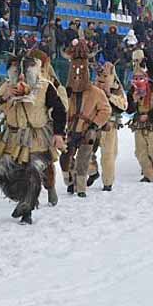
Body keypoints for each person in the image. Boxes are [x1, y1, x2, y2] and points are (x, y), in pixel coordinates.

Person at [0, 50, 66, 224]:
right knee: (3, 171)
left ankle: (27, 208)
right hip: (13, 136)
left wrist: (59, 134)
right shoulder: (6, 87)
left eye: (27, 71)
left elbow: (60, 111)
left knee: (33, 171)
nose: (22, 76)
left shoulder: (45, 87)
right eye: (18, 72)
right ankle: (21, 197)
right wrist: (5, 96)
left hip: (37, 137)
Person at [59, 40, 110, 197]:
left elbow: (105, 110)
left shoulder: (96, 92)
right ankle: (70, 181)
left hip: (88, 130)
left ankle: (81, 188)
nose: (78, 74)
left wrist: (95, 125)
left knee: (83, 159)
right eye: (74, 69)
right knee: (65, 158)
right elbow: (59, 108)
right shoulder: (66, 92)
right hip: (70, 130)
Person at [93, 62, 127, 191]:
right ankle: (91, 172)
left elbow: (123, 105)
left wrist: (109, 95)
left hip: (110, 126)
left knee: (109, 154)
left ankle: (107, 182)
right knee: (87, 152)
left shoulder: (117, 89)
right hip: (93, 124)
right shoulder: (93, 88)